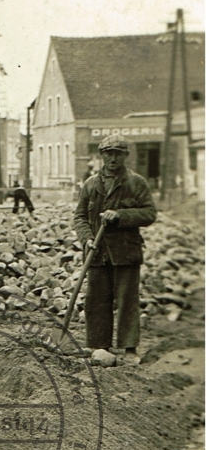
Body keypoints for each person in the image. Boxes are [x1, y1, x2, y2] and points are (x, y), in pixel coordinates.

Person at [73, 135, 157, 365]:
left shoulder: (136, 183)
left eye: (118, 153)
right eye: (108, 153)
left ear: (125, 156)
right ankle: (99, 346)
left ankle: (129, 349)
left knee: (127, 300)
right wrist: (86, 238)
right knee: (96, 299)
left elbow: (149, 213)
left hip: (125, 252)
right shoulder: (91, 184)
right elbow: (79, 216)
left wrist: (121, 215)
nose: (113, 158)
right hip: (97, 251)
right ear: (101, 155)